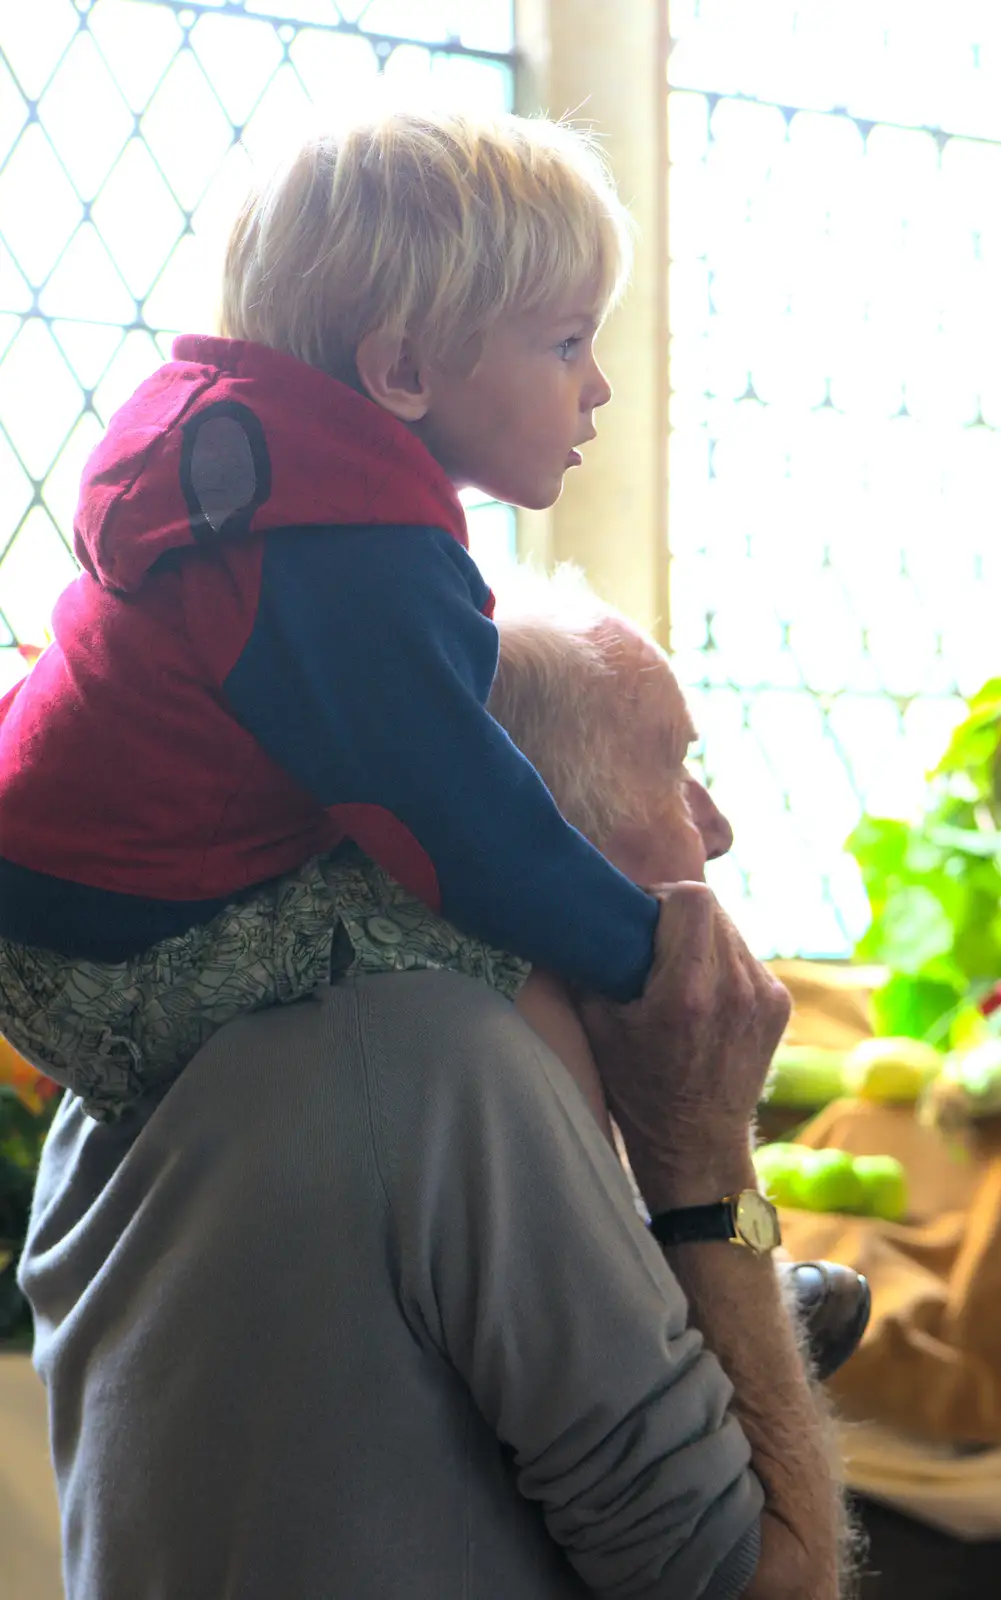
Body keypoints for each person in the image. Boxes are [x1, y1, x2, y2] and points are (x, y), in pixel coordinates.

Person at [20, 585, 849, 1599]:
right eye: (675, 767)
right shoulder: (452, 1071)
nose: (715, 828)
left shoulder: (120, 1086)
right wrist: (706, 1155)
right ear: (529, 834)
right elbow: (774, 1580)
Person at [0, 108, 661, 1122]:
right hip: (118, 962)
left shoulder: (263, 480)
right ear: (401, 371)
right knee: (522, 951)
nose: (598, 386)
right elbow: (470, 830)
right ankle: (627, 1261)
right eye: (565, 342)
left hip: (59, 924)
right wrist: (645, 950)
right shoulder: (342, 550)